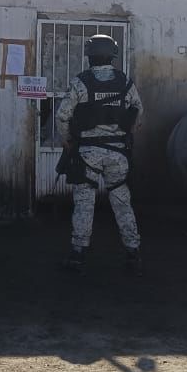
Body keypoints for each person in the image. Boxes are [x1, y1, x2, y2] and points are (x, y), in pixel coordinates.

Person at [55, 34, 143, 276]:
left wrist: (68, 140)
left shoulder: (80, 82)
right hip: (118, 152)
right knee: (122, 202)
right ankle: (133, 252)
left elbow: (62, 116)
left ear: (89, 56)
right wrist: (125, 134)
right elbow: (138, 112)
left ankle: (78, 254)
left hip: (87, 153)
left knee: (84, 202)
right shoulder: (125, 82)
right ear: (113, 56)